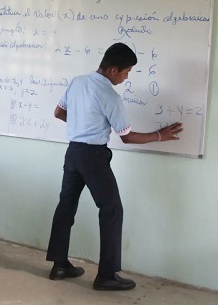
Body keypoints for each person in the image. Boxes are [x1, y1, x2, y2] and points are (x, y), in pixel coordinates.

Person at [46, 42, 183, 291]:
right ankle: (107, 275)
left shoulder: (77, 82)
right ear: (113, 70)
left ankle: (60, 265)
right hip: (94, 156)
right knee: (111, 210)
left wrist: (81, 122)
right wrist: (159, 135)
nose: (127, 77)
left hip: (73, 153)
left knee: (66, 206)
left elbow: (58, 112)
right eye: (126, 71)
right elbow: (127, 137)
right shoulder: (109, 95)